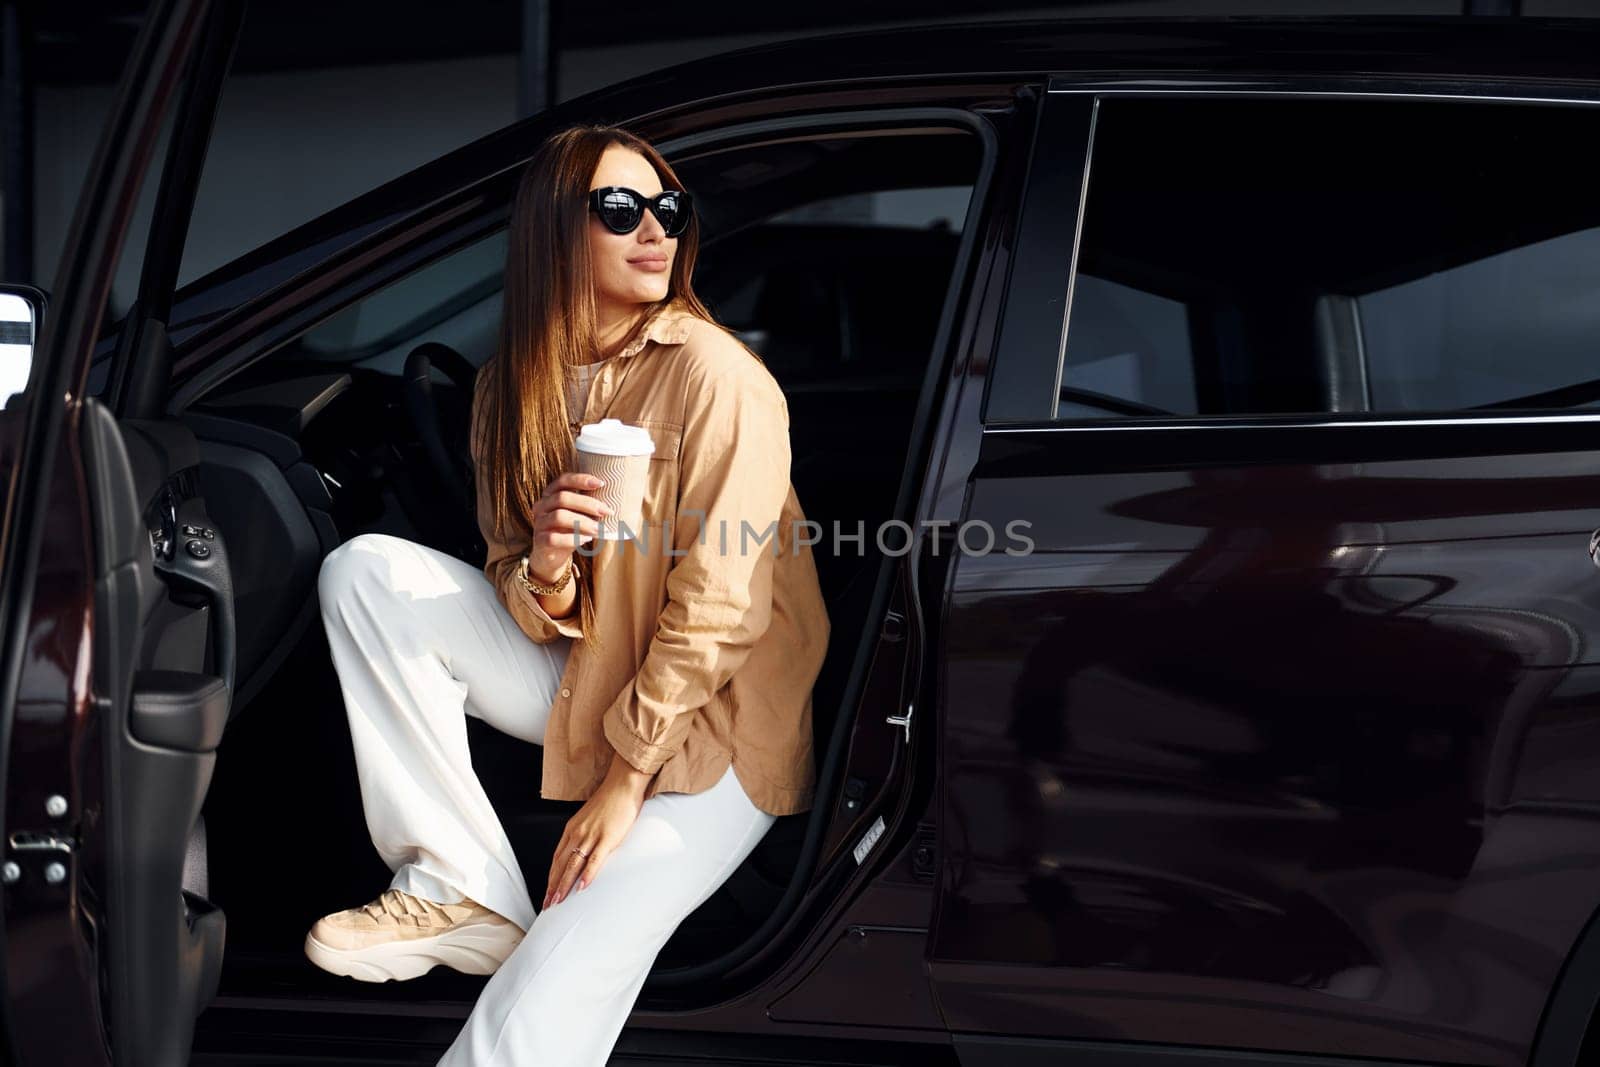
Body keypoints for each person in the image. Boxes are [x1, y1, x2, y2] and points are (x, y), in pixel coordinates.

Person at [305, 124, 831, 1066]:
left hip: (714, 723)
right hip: (592, 670)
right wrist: (545, 557)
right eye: (621, 211)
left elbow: (725, 602)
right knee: (365, 573)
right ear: (556, 232)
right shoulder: (513, 390)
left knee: (533, 1015)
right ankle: (460, 884)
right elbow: (519, 593)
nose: (655, 231)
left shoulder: (717, 375)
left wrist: (623, 783)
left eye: (667, 210)